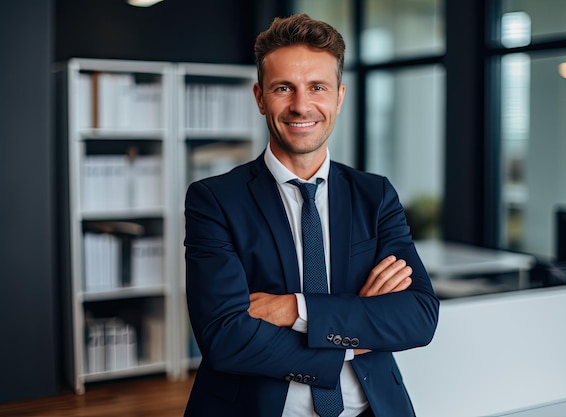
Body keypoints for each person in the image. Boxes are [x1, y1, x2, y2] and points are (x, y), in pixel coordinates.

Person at [183, 13, 439, 417]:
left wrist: (294, 310)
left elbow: (418, 317)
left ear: (338, 96)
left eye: (316, 87)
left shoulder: (375, 195)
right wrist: (352, 328)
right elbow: (225, 337)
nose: (301, 105)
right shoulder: (214, 200)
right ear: (260, 97)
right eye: (284, 88)